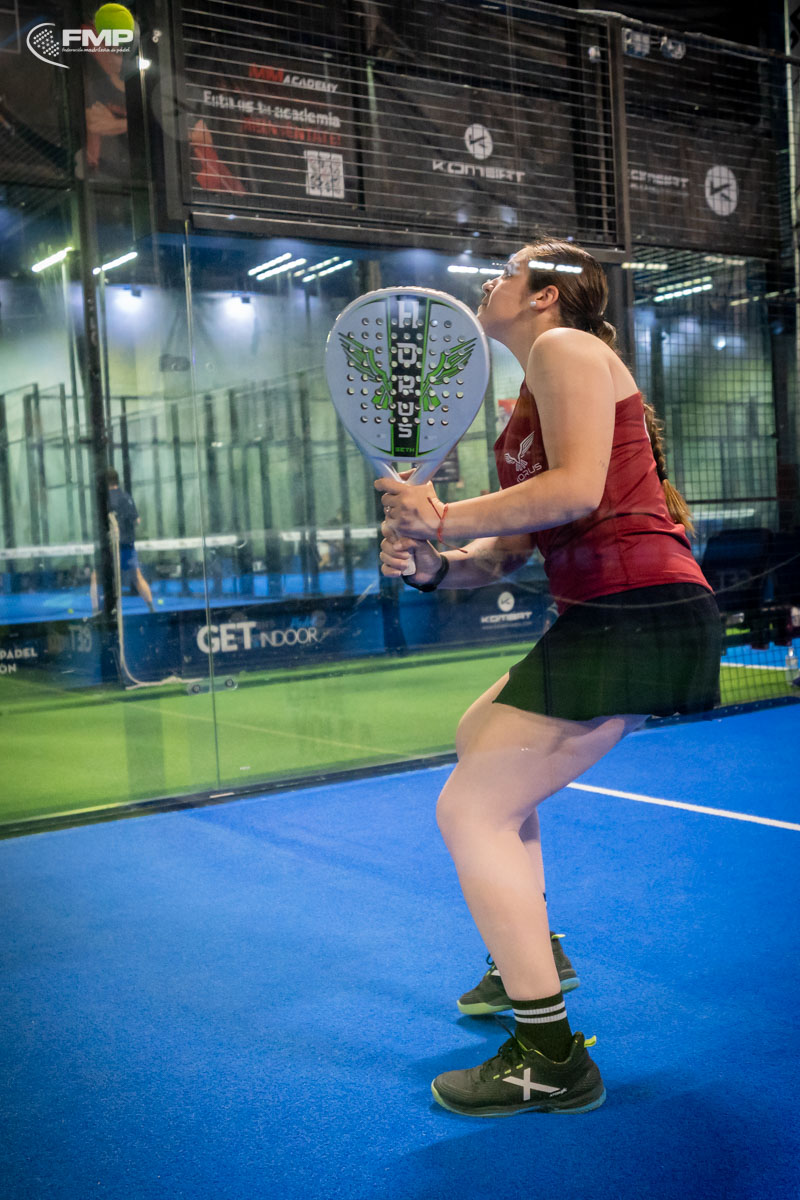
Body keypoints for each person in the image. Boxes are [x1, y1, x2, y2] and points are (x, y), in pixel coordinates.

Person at [376, 238, 722, 1117]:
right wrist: (431, 563)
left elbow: (574, 492)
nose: (492, 280)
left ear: (545, 298)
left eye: (509, 269)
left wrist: (438, 514)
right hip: (609, 613)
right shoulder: (529, 398)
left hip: (638, 609)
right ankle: (528, 953)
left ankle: (550, 1056)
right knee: (477, 740)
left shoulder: (567, 349)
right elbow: (503, 555)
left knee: (470, 809)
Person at [92, 468, 155, 613]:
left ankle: (96, 611)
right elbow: (137, 520)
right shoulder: (126, 497)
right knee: (137, 577)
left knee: (97, 577)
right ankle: (152, 608)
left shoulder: (106, 499)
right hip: (128, 546)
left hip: (112, 547)